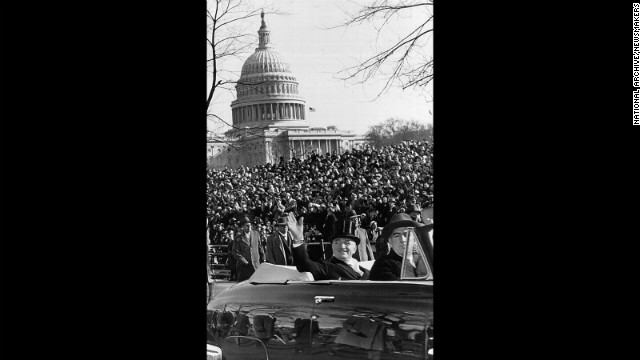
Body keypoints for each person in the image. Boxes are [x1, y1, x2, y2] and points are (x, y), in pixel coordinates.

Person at [287, 213, 370, 280]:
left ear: (355, 248)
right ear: (332, 246)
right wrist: (298, 239)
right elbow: (304, 264)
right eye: (337, 242)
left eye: (347, 243)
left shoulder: (367, 272)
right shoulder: (326, 267)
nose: (342, 246)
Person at [369, 213, 423, 281]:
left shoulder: (423, 261)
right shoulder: (383, 264)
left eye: (406, 234)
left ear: (414, 238)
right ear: (390, 240)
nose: (402, 240)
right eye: (397, 235)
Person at [232, 216, 265, 282]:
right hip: (244, 267)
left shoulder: (256, 234)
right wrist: (244, 262)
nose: (249, 227)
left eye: (250, 225)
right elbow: (235, 252)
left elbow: (260, 247)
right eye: (247, 225)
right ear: (243, 227)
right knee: (244, 286)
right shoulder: (238, 238)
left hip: (256, 265)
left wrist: (263, 258)